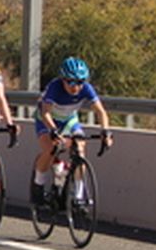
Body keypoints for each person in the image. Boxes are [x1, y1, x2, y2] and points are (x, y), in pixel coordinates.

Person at [32, 57, 114, 205]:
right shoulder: (55, 87)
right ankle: (38, 184)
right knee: (50, 149)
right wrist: (53, 130)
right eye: (70, 82)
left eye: (80, 82)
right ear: (63, 79)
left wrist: (105, 131)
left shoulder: (86, 88)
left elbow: (101, 112)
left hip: (69, 120)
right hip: (47, 120)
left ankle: (78, 196)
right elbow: (45, 113)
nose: (75, 86)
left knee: (80, 149)